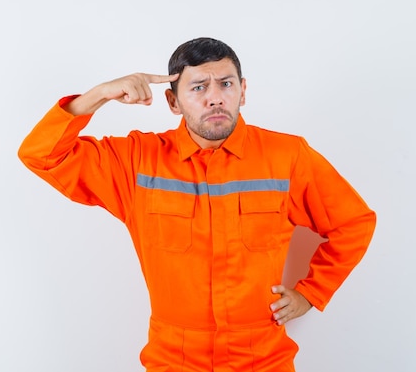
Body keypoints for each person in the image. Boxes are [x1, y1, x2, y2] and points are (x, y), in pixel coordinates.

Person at [18, 37, 376, 372]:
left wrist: (311, 293)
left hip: (262, 359)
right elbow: (41, 155)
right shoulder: (136, 162)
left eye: (226, 83)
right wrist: (98, 96)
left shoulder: (288, 157)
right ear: (173, 102)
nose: (215, 97)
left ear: (243, 91)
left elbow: (353, 223)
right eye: (198, 87)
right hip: (174, 359)